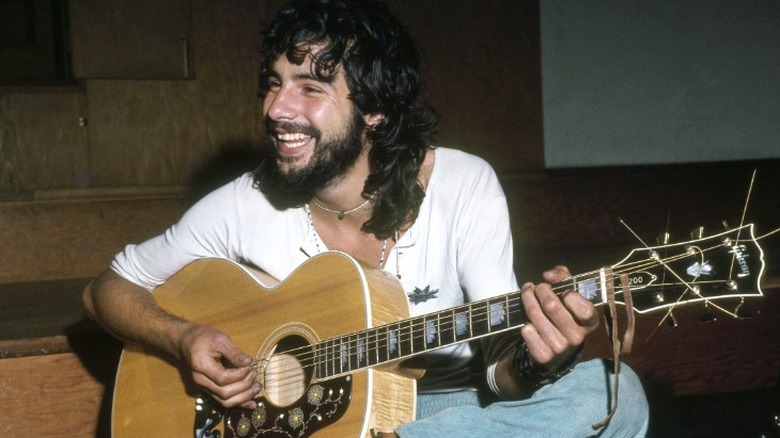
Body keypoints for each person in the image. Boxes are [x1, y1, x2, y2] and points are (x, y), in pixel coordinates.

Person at [82, 0, 649, 436]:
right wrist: (184, 337)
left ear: (375, 110)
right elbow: (107, 289)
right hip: (298, 420)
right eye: (275, 84)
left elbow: (501, 378)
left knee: (609, 394)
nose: (277, 108)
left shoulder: (463, 185)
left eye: (311, 88)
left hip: (437, 407)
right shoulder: (242, 203)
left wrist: (536, 357)